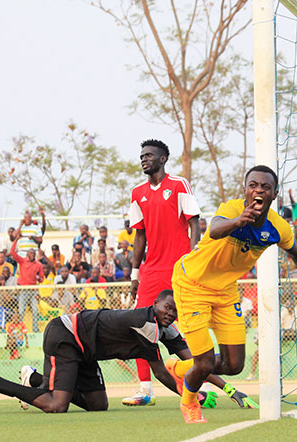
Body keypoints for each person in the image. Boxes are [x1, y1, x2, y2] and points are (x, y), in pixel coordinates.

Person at [170, 165, 297, 423]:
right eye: (253, 185)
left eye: (265, 187)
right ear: (245, 190)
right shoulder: (231, 209)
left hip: (225, 291)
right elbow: (214, 230)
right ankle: (190, 403)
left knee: (233, 365)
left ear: (274, 194)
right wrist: (239, 221)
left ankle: (179, 369)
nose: (258, 190)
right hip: (192, 285)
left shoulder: (278, 227)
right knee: (202, 362)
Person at [0, 290, 254, 413]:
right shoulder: (146, 324)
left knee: (98, 405)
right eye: (167, 307)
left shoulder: (167, 328)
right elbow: (162, 374)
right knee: (57, 405)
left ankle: (36, 380)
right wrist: (192, 399)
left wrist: (229, 389)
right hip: (66, 335)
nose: (170, 313)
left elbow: (198, 363)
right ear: (155, 305)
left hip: (87, 350)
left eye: (175, 311)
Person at [123, 139, 202, 407]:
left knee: (187, 325)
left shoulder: (179, 185)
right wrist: (135, 273)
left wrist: (193, 261)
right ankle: (146, 389)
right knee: (139, 324)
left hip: (180, 267)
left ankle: (197, 380)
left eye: (149, 155)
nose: (144, 159)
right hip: (151, 269)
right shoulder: (137, 193)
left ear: (163, 159)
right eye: (142, 155)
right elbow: (139, 236)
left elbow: (194, 223)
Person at [10, 234, 43, 333]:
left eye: (33, 253)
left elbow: (42, 278)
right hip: (23, 290)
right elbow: (12, 252)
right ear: (27, 254)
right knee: (21, 311)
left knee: (35, 311)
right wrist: (16, 240)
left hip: (33, 290)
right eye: (30, 253)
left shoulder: (38, 265)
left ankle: (35, 330)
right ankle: (19, 329)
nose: (32, 255)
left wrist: (39, 278)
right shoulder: (22, 261)